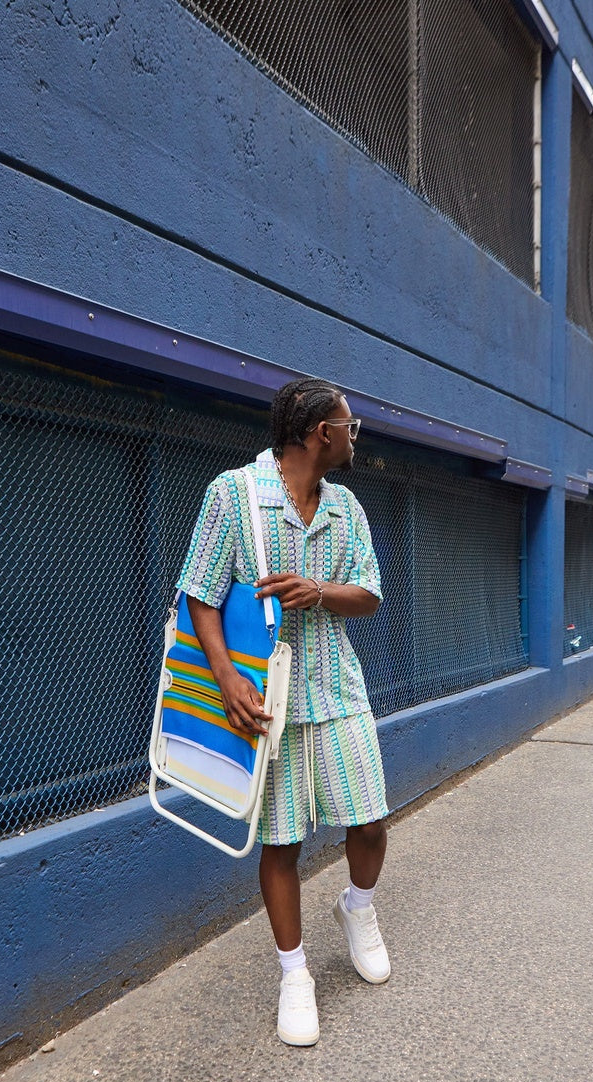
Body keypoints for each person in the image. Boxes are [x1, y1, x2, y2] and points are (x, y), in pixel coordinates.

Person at [176, 378, 389, 1046]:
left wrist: (319, 590)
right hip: (268, 700)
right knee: (282, 840)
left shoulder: (347, 509)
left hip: (337, 688)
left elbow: (371, 595)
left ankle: (357, 908)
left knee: (371, 821)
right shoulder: (232, 495)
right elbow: (199, 595)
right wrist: (227, 678)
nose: (354, 436)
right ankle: (294, 974)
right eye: (348, 426)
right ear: (318, 432)